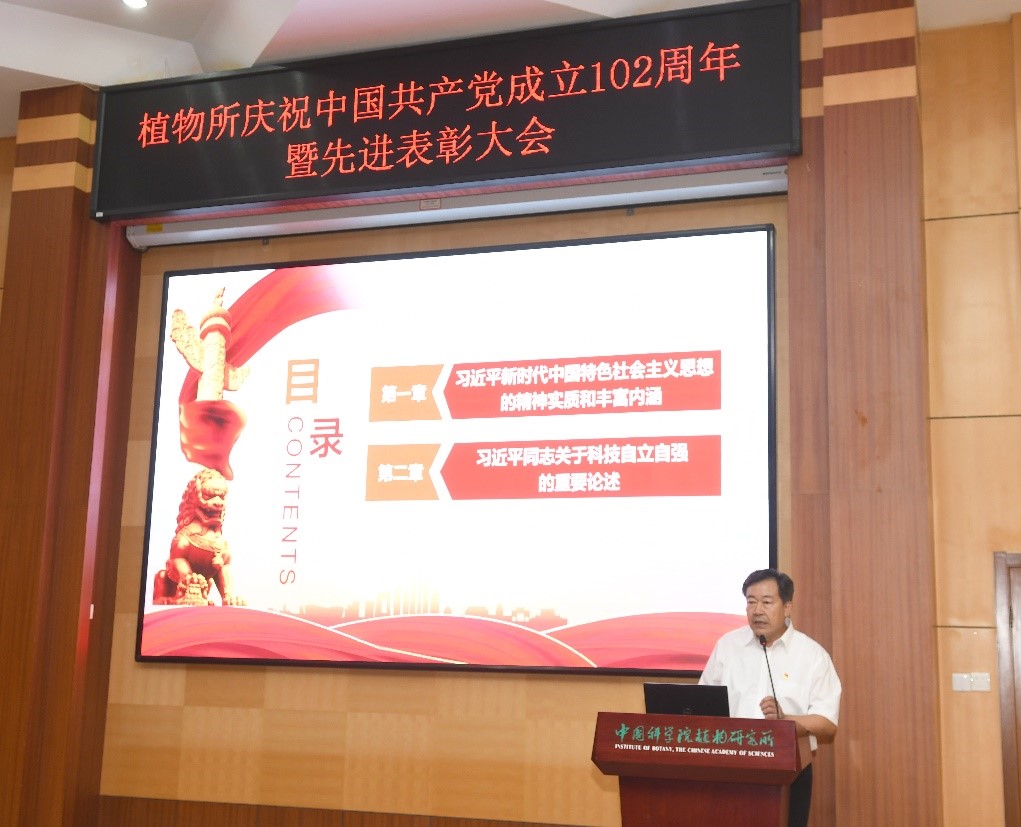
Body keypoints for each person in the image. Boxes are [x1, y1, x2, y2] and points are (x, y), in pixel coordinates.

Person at [699, 568, 841, 827]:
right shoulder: (727, 647)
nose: (757, 610)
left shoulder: (812, 656)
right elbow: (702, 705)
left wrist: (787, 721)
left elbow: (827, 724)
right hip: (728, 767)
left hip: (788, 771)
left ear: (787, 607)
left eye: (766, 602)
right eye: (751, 602)